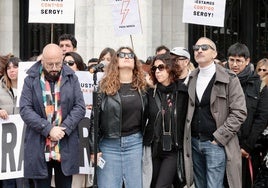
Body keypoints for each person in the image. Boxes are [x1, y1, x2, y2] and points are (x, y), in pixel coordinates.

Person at [183, 37, 247, 188]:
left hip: (216, 143)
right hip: (194, 142)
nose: (199, 50)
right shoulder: (191, 77)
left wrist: (218, 138)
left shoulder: (230, 78)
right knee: (200, 185)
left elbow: (239, 112)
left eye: (204, 48)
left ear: (214, 53)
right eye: (196, 47)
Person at [19, 43, 86, 188]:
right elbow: (25, 109)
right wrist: (48, 129)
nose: (55, 68)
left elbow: (80, 107)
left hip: (65, 145)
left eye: (58, 63)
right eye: (50, 64)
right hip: (39, 146)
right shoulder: (30, 80)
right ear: (42, 61)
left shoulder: (72, 78)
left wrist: (64, 128)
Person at [89, 46, 148, 188]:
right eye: (122, 55)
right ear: (115, 61)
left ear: (135, 61)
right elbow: (94, 121)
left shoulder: (144, 88)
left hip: (135, 144)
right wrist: (93, 149)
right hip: (109, 146)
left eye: (130, 55)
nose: (127, 57)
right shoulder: (103, 88)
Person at [227, 42, 268, 187]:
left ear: (247, 61)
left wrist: (247, 146)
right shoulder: (223, 81)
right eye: (232, 60)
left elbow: (261, 118)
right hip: (225, 145)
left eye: (239, 60)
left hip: (247, 149)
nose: (235, 64)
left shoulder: (259, 85)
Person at [144, 53, 188, 187]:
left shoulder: (182, 93)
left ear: (170, 68)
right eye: (155, 68)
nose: (157, 71)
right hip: (154, 149)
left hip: (173, 150)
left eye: (161, 67)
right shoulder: (149, 93)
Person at [0, 56, 31, 188]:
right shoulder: (0, 87)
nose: (12, 70)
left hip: (25, 139)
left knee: (23, 179)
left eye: (15, 66)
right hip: (5, 142)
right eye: (9, 68)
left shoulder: (29, 87)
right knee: (7, 180)